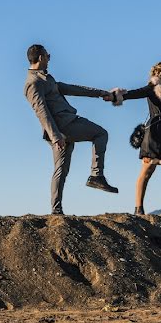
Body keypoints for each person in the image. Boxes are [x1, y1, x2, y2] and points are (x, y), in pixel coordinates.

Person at [23, 44, 119, 215]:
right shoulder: (33, 82)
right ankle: (96, 176)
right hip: (64, 126)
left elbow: (74, 89)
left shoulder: (46, 78)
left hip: (60, 130)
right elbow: (41, 111)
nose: (49, 59)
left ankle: (56, 211)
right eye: (48, 55)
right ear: (40, 58)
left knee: (61, 169)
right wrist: (55, 136)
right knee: (100, 133)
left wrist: (102, 93)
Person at [113, 61, 161, 217]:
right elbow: (136, 93)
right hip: (155, 134)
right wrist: (118, 95)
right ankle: (138, 209)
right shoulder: (153, 87)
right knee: (147, 170)